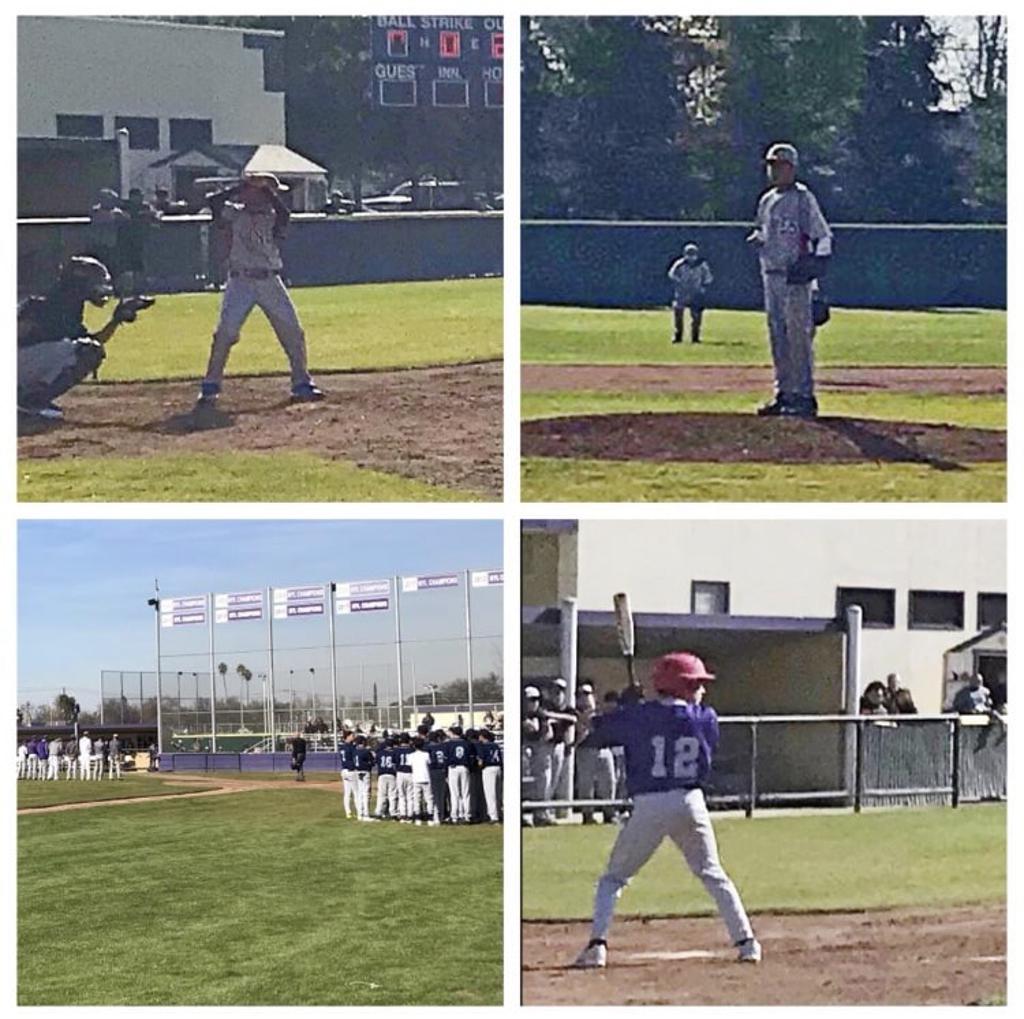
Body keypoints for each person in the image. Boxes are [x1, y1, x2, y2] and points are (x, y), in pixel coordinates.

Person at [572, 652, 761, 969]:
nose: (701, 689)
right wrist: (635, 709)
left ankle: (597, 946)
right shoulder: (706, 717)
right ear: (681, 687)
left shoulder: (639, 716)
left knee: (614, 878)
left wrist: (625, 708)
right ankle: (747, 942)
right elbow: (682, 723)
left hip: (649, 803)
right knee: (713, 873)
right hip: (691, 801)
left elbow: (593, 728)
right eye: (695, 683)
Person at [197, 172, 323, 406]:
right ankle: (210, 385)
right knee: (225, 333)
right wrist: (242, 187)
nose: (273, 196)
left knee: (292, 331)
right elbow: (213, 202)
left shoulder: (275, 216)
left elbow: (285, 213)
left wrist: (263, 189)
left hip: (270, 281)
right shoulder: (234, 213)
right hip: (240, 281)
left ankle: (301, 382)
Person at [747, 142, 833, 419]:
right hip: (770, 276)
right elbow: (765, 232)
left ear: (792, 168)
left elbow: (823, 236)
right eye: (772, 165)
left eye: (781, 165)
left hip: (796, 278)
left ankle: (804, 396)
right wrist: (759, 239)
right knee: (778, 337)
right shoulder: (766, 200)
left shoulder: (802, 198)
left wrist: (816, 267)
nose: (775, 170)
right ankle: (784, 393)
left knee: (799, 338)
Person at [17, 256, 155, 420]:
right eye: (94, 282)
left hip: (24, 366)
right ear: (79, 284)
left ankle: (31, 398)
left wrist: (116, 320)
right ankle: (31, 403)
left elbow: (93, 342)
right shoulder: (45, 305)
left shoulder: (69, 308)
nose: (100, 288)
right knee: (87, 350)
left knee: (89, 351)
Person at [574, 682, 618, 824]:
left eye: (587, 694)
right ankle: (587, 814)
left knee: (609, 781)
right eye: (581, 695)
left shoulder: (601, 712)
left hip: (604, 749)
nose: (585, 698)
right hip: (586, 750)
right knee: (586, 784)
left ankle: (609, 813)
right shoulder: (575, 713)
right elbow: (578, 735)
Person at [667, 243, 713, 344]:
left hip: (696, 293)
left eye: (693, 253)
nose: (691, 256)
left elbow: (708, 278)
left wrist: (702, 287)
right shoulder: (679, 264)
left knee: (696, 316)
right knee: (678, 313)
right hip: (682, 293)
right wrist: (679, 283)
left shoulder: (702, 265)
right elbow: (671, 274)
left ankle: (695, 337)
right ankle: (678, 336)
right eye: (688, 253)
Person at [445, 726, 476, 823]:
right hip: (464, 767)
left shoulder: (449, 744)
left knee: (455, 793)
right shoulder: (467, 743)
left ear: (453, 733)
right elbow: (471, 757)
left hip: (453, 768)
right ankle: (467, 815)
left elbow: (446, 758)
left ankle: (455, 816)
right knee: (466, 793)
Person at [408, 736, 438, 825]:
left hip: (416, 778)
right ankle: (430, 818)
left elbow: (409, 765)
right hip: (426, 778)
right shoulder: (426, 754)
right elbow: (429, 763)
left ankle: (418, 818)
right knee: (429, 799)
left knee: (417, 799)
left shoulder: (411, 756)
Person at [477, 729, 503, 823]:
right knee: (498, 793)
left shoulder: (482, 746)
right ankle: (499, 814)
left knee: (490, 794)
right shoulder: (495, 745)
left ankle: (493, 817)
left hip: (488, 768)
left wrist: (478, 767)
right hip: (498, 768)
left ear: (483, 737)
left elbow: (481, 760)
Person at [425, 730, 451, 822]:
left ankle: (438, 814)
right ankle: (443, 813)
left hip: (434, 770)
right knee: (443, 794)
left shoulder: (428, 748)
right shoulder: (443, 746)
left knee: (435, 794)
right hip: (443, 770)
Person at [352, 735, 376, 820]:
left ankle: (360, 814)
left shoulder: (354, 751)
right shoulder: (366, 751)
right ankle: (366, 814)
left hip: (357, 772)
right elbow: (372, 763)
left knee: (360, 793)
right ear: (362, 742)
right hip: (365, 772)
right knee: (366, 794)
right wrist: (373, 755)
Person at [374, 737, 398, 819]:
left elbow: (376, 763)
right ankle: (393, 813)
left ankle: (379, 812)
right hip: (391, 775)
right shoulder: (394, 752)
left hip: (382, 775)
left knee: (381, 795)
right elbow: (395, 765)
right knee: (392, 795)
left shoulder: (380, 752)